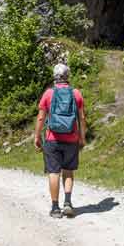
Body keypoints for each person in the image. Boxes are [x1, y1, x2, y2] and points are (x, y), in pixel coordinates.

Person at [34, 62, 86, 218]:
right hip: (71, 138)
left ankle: (55, 208)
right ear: (68, 76)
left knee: (53, 172)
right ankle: (68, 202)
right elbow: (82, 118)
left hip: (52, 139)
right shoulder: (76, 93)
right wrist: (82, 138)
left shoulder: (48, 94)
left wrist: (37, 136)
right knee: (68, 171)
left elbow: (41, 117)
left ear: (54, 77)